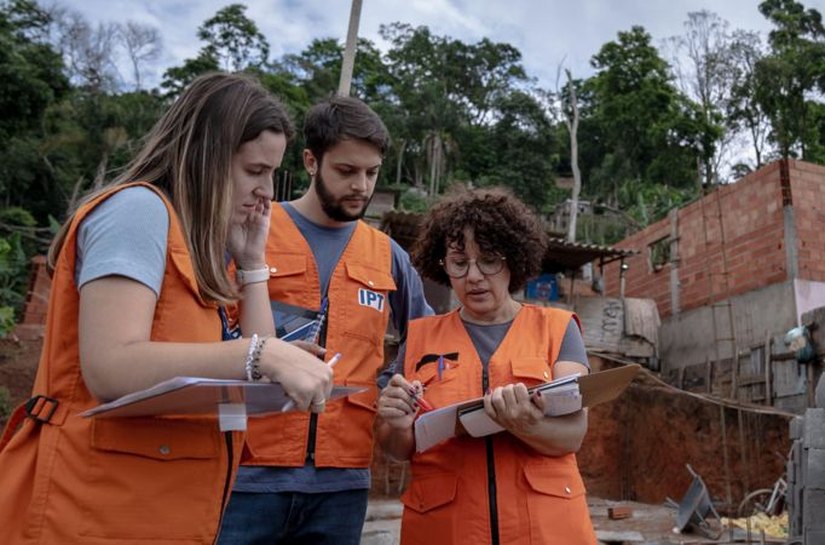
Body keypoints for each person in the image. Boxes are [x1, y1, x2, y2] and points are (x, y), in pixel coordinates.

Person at [0, 72, 333, 544]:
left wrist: (253, 264)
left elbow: (250, 373)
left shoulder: (196, 245)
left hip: (152, 512)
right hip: (91, 511)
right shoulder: (139, 211)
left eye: (273, 173)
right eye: (255, 171)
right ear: (206, 158)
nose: (268, 191)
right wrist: (265, 356)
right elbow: (111, 367)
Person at [218, 95, 433, 544]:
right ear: (311, 161)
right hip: (244, 471)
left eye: (371, 173)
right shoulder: (249, 229)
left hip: (343, 481)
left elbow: (429, 339)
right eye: (346, 171)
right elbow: (201, 328)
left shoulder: (386, 254)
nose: (361, 185)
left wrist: (396, 384)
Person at [375, 187, 598, 545]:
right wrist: (396, 424)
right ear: (442, 264)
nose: (474, 276)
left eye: (489, 260)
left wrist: (525, 424)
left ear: (513, 259)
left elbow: (572, 435)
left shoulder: (558, 328)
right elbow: (396, 447)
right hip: (445, 529)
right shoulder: (420, 337)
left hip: (545, 530)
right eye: (460, 263)